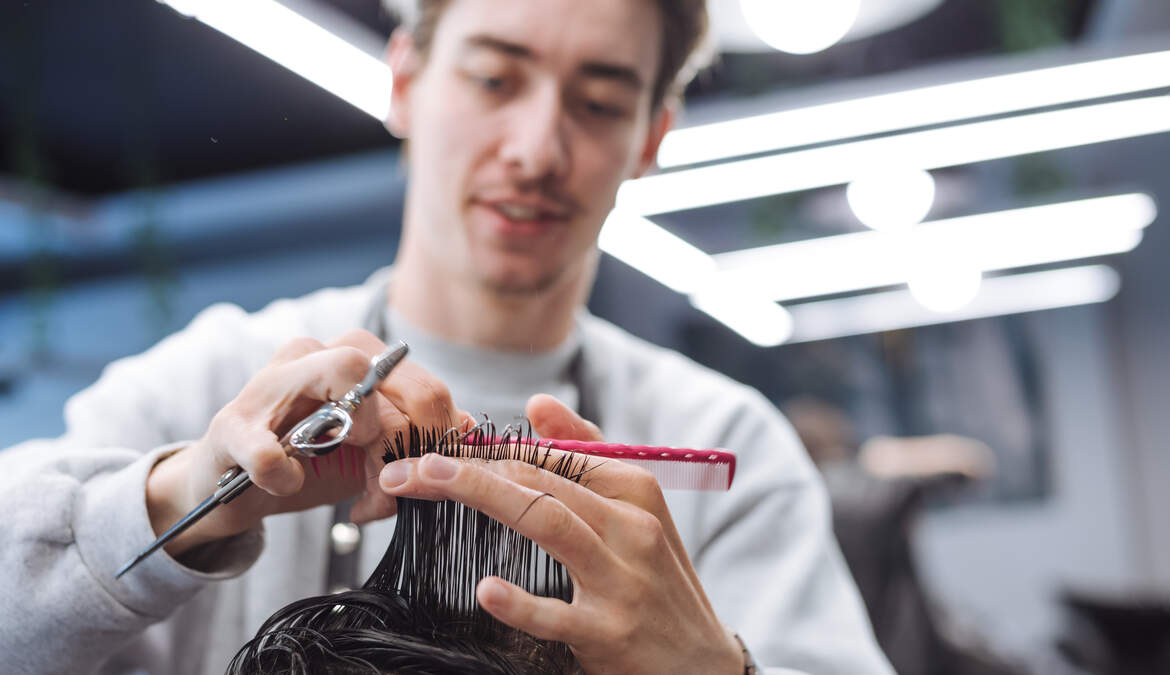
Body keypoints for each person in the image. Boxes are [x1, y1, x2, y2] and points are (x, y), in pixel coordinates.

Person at [0, 0, 893, 673]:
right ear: (405, 81)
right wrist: (179, 501)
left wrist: (712, 668)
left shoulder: (727, 448)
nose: (537, 149)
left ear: (650, 136)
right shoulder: (213, 383)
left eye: (598, 101)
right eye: (495, 79)